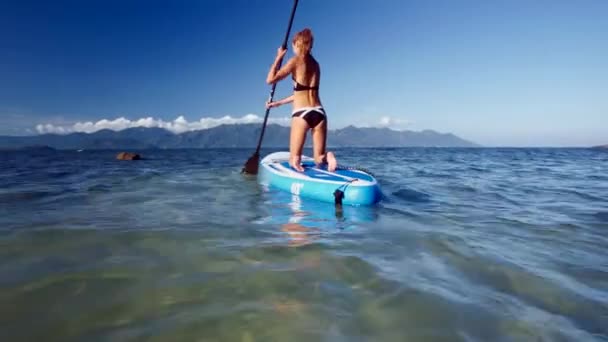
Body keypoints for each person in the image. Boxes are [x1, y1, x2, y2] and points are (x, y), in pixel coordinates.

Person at [265, 28, 338, 172]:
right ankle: (328, 156)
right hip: (319, 113)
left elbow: (270, 80)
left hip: (301, 114)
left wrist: (278, 57)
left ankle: (297, 165)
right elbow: (302, 92)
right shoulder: (316, 65)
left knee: (293, 160)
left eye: (293, 45)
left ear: (297, 44)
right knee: (319, 158)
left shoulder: (295, 61)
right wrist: (277, 103)